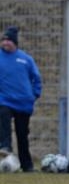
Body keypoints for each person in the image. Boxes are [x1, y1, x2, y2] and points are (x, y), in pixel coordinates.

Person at [0, 26, 42, 172]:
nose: (5, 42)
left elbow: (36, 78)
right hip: (4, 100)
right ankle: (5, 148)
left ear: (15, 42)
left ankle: (27, 165)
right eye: (3, 40)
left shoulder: (26, 59)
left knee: (22, 135)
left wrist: (34, 94)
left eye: (8, 40)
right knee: (3, 118)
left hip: (24, 103)